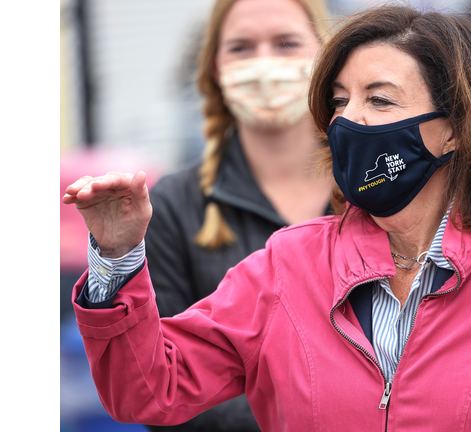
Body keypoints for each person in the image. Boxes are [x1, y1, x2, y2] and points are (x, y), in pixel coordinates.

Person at [63, 5, 471, 431]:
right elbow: (148, 390)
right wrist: (116, 257)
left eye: (379, 101)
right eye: (339, 101)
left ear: (454, 128)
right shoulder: (290, 263)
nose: (349, 120)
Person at [142, 0, 332, 430]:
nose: (264, 65)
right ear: (215, 68)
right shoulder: (172, 206)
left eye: (286, 44)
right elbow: (159, 381)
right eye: (242, 48)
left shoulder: (373, 192)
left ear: (325, 57)